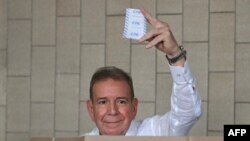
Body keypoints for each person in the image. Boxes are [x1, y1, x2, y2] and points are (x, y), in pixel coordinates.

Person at [84, 7, 202, 136]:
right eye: (102, 102)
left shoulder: (154, 132)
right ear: (91, 109)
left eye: (121, 101)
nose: (112, 111)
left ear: (134, 107)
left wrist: (175, 54)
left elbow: (187, 115)